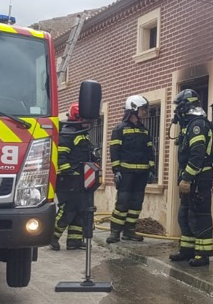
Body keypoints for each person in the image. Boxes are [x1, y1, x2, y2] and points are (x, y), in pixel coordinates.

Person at [168, 89, 213, 267]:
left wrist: (187, 178)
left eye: (178, 107)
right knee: (185, 214)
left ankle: (202, 255)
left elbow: (198, 153)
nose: (176, 112)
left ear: (186, 106)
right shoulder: (189, 125)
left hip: (199, 178)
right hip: (191, 178)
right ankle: (187, 249)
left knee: (199, 216)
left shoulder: (197, 125)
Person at [51, 102, 100, 250]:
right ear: (78, 117)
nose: (90, 122)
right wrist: (68, 170)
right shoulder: (68, 132)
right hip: (68, 178)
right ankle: (52, 236)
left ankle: (74, 241)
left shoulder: (82, 135)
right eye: (87, 119)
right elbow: (60, 154)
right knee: (68, 209)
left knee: (81, 209)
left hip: (80, 179)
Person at [107, 95, 155, 243]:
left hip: (141, 174)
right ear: (133, 109)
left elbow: (150, 151)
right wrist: (117, 171)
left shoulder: (144, 130)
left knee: (136, 204)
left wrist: (151, 169)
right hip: (126, 174)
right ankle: (115, 232)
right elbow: (114, 151)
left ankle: (129, 231)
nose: (145, 112)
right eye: (143, 109)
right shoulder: (119, 129)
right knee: (123, 202)